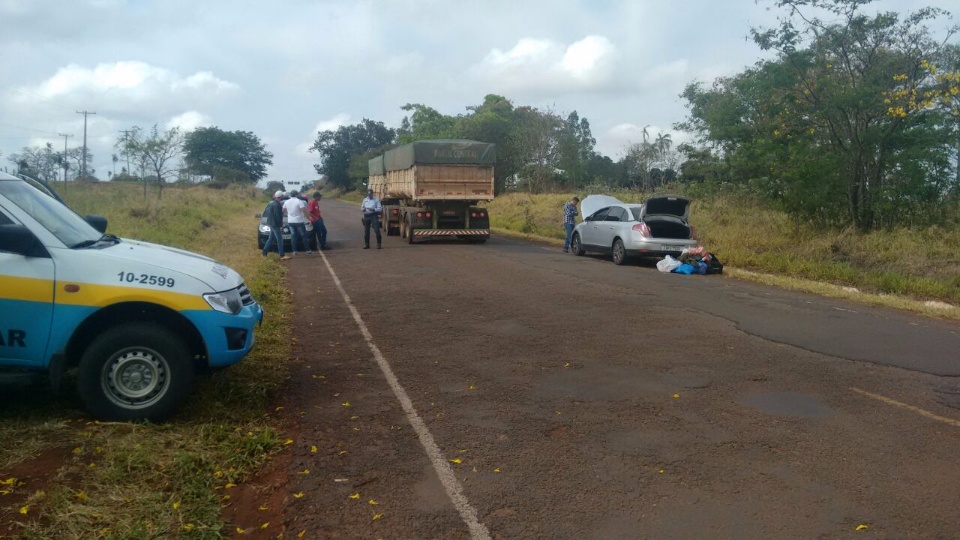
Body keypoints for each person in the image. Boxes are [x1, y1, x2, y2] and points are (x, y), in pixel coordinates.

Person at [283, 189, 311, 256]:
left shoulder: (286, 202)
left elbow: (283, 211)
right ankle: (307, 250)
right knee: (303, 236)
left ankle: (294, 251)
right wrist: (309, 219)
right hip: (299, 221)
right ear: (297, 195)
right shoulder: (299, 201)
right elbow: (304, 211)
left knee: (293, 236)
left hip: (290, 221)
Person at [261, 190, 289, 260]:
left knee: (271, 239)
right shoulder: (277, 205)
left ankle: (264, 252)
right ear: (281, 196)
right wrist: (281, 225)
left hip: (271, 223)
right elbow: (278, 216)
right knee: (279, 239)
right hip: (275, 224)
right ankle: (282, 255)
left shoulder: (272, 203)